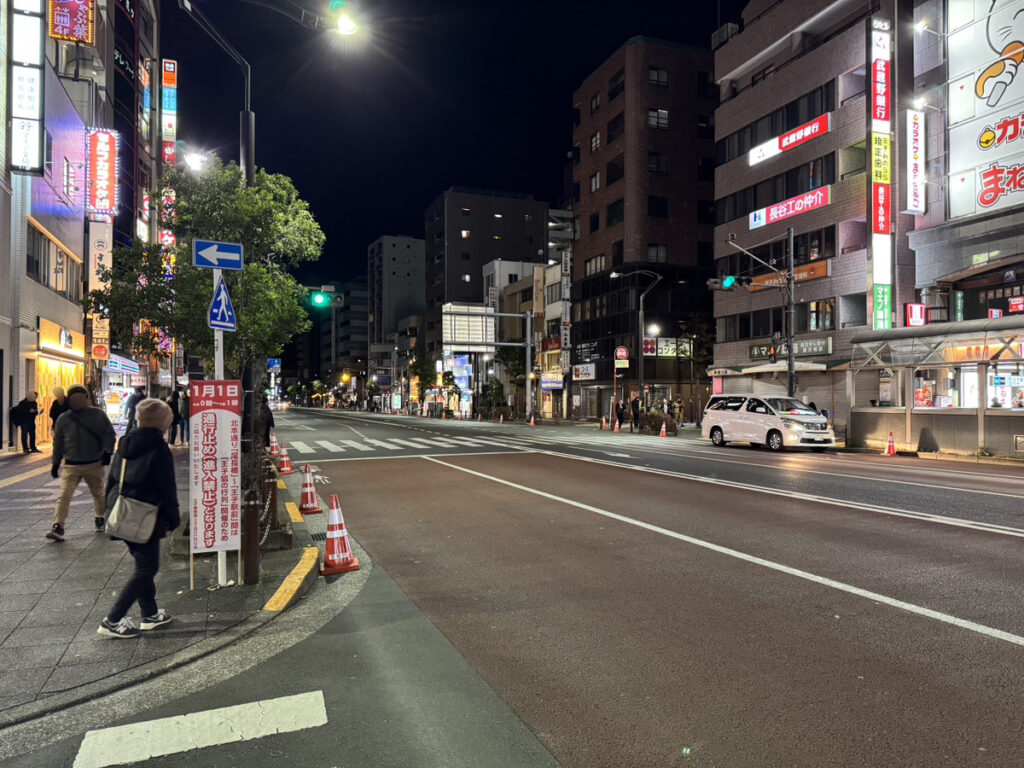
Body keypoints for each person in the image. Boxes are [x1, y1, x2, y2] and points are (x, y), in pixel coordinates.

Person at [97, 398, 179, 638]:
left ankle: (150, 614)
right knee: (147, 568)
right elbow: (167, 488)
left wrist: (108, 510)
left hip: (122, 510)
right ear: (164, 422)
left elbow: (112, 479)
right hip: (145, 514)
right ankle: (112, 620)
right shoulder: (159, 448)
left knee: (143, 565)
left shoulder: (126, 442)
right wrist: (173, 518)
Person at [48, 385, 116, 541]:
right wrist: (55, 462)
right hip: (71, 464)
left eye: (80, 398)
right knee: (64, 495)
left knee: (98, 493)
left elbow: (109, 434)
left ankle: (100, 517)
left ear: (86, 398)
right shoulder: (64, 419)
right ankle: (58, 525)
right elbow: (58, 442)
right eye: (74, 399)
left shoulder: (98, 415)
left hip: (94, 463)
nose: (77, 402)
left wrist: (107, 452)